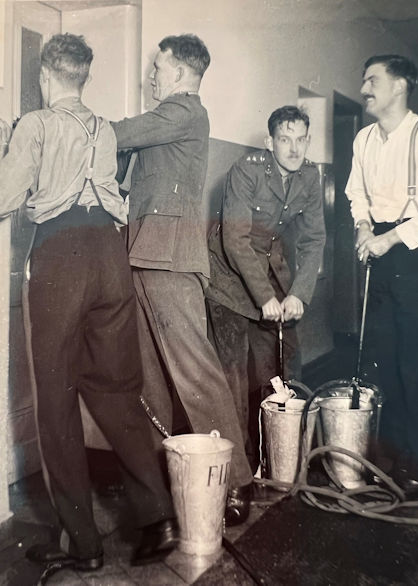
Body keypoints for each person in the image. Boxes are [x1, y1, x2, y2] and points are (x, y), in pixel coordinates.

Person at [0, 33, 179, 575]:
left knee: (56, 400)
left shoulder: (34, 125)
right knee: (117, 390)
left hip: (60, 258)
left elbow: (6, 198)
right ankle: (159, 518)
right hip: (109, 255)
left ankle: (83, 544)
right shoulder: (104, 129)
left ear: (45, 76)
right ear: (83, 78)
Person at [111, 34, 253, 525]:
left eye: (158, 67)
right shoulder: (169, 119)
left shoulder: (185, 110)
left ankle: (235, 481)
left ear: (178, 72)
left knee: (195, 373)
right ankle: (164, 481)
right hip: (144, 255)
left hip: (170, 260)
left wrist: (66, 124)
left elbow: (122, 133)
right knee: (149, 380)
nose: (152, 75)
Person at [346, 54, 418, 494]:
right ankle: (392, 458)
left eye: (373, 80)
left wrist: (389, 239)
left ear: (401, 85)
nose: (364, 89)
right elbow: (356, 194)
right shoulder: (364, 139)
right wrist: (363, 227)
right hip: (380, 251)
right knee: (383, 360)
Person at [206, 106, 326, 470]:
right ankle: (239, 468)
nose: (294, 148)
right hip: (228, 276)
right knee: (233, 373)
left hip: (270, 271)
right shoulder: (246, 170)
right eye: (285, 140)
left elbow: (313, 239)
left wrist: (298, 293)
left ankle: (280, 454)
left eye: (301, 139)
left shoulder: (309, 176)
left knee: (283, 360)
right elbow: (236, 240)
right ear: (269, 142)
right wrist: (266, 297)